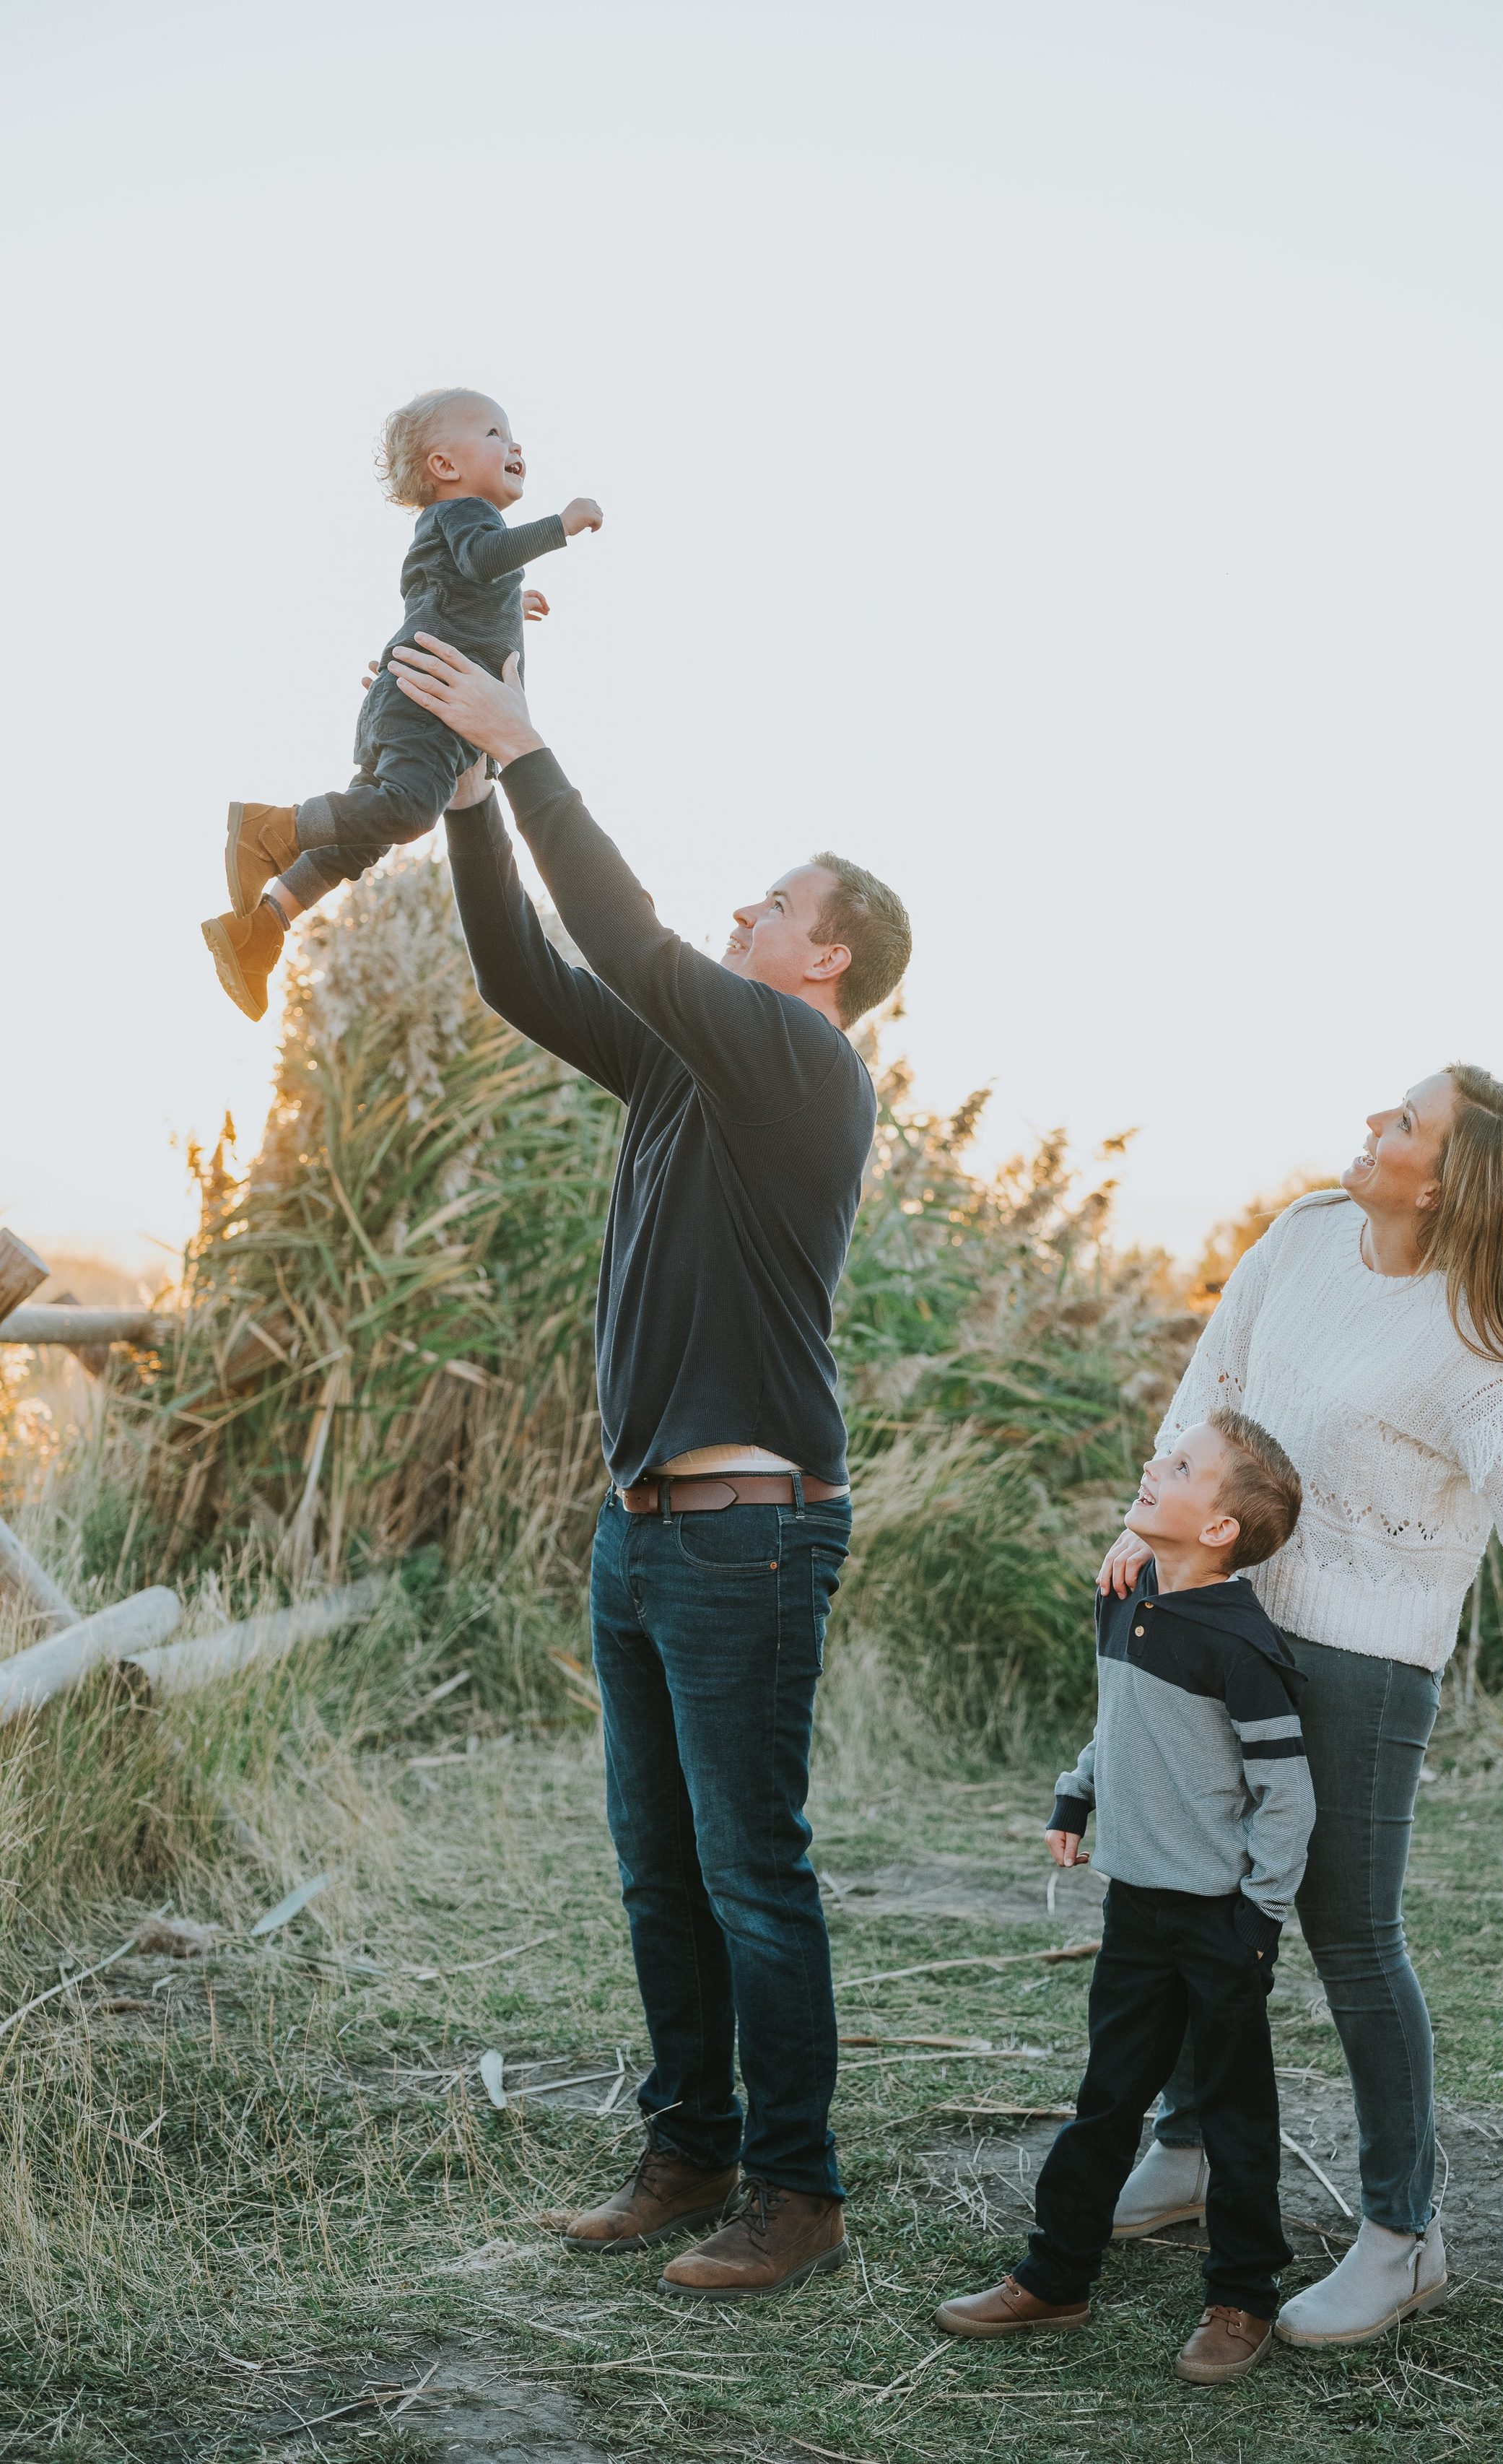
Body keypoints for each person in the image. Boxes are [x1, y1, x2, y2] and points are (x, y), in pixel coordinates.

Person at [384, 629, 910, 2300]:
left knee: (753, 1872)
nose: (740, 912)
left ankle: (795, 2190)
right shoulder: (692, 1070)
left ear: (824, 957)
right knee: (657, 1868)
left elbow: (615, 927)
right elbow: (535, 975)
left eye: (771, 901)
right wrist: (473, 801)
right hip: (642, 1536)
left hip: (748, 1537)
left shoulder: (799, 1063)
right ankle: (685, 2151)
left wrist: (525, 743)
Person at [1098, 1068, 1503, 2346]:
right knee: (1197, 1885)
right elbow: (1214, 1382)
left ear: (1455, 1179)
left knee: (1349, 1933)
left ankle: (1401, 2234)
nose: (1373, 1124)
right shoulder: (1305, 1231)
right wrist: (1148, 1525)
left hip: (1365, 1658)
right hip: (1221, 1617)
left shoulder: (1479, 1359)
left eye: (1405, 1123)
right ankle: (1188, 2147)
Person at [936, 1407, 1312, 2385]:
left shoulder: (1241, 1645)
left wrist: (1258, 1919)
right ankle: (1055, 2274)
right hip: (1134, 1908)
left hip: (1221, 1917)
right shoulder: (1128, 1591)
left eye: (1181, 1464)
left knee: (1234, 2113)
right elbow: (1124, 1724)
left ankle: (1241, 2298)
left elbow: (1287, 1794)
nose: (1156, 1461)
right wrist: (1079, 1789)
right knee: (1107, 2097)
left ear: (1221, 1527)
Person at [201, 388, 601, 1020]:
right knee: (409, 811)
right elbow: (481, 558)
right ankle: (267, 829)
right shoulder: (470, 515)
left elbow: (447, 588)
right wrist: (561, 526)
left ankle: (261, 928)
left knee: (365, 833)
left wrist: (505, 605)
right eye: (495, 433)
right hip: (423, 711)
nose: (515, 444)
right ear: (444, 467)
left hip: (425, 714)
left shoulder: (452, 527)